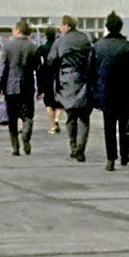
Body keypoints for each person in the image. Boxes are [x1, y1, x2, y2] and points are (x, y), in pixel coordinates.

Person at [88, 12, 129, 171]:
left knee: (109, 126)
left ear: (107, 27)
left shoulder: (98, 47)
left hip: (106, 92)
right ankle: (125, 155)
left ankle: (110, 159)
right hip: (126, 93)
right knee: (125, 125)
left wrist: (95, 93)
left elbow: (91, 72)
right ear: (120, 27)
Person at [48, 15, 93, 162]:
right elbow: (92, 57)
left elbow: (51, 60)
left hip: (67, 80)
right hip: (84, 79)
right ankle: (81, 147)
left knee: (71, 115)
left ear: (67, 26)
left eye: (61, 26)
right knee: (84, 118)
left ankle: (73, 146)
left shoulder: (60, 41)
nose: (60, 29)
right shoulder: (85, 39)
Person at [0, 20, 37, 155]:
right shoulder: (33, 47)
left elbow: (3, 67)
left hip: (11, 86)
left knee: (12, 117)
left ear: (18, 31)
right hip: (27, 85)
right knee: (28, 115)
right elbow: (39, 68)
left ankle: (15, 147)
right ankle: (26, 135)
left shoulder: (8, 46)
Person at [36, 26, 63, 134]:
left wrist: (39, 87)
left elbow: (39, 66)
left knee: (48, 103)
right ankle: (57, 118)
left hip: (46, 77)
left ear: (45, 35)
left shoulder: (42, 49)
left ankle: (52, 126)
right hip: (59, 76)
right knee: (60, 102)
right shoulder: (60, 47)